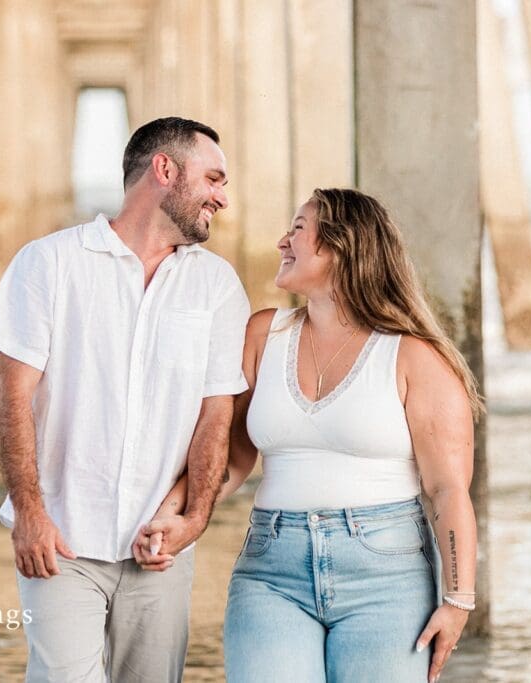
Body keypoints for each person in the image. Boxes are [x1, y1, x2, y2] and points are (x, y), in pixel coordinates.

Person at [138, 188, 481, 683]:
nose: (282, 241)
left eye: (298, 229)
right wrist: (174, 515)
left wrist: (457, 600)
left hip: (387, 577)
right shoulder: (263, 334)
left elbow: (447, 490)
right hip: (271, 569)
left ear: (342, 247)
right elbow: (231, 459)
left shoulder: (414, 358)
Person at [0, 117, 250, 682]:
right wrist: (29, 513)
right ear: (164, 169)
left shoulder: (217, 285)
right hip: (60, 543)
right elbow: (12, 398)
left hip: (160, 550)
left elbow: (216, 415)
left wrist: (193, 518)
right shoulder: (48, 262)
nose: (222, 197)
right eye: (214, 179)